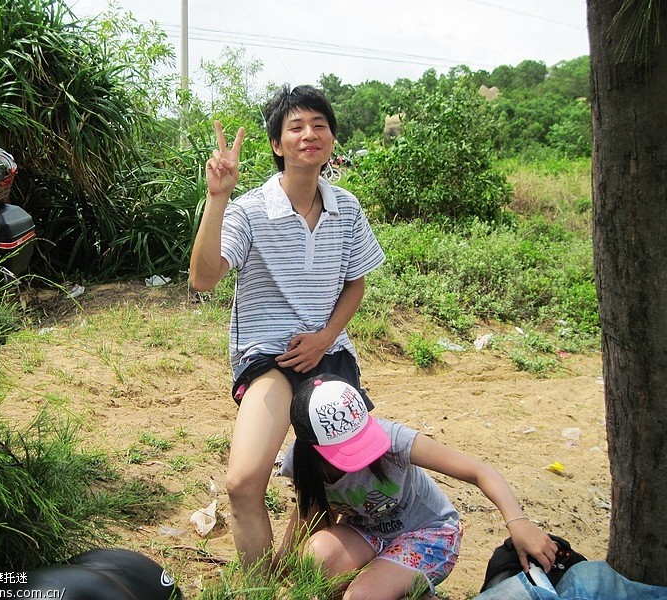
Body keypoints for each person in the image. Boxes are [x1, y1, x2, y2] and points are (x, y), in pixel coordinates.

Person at [188, 84, 385, 569]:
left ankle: (292, 573)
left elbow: (355, 284)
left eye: (319, 125)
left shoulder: (347, 208)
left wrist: (324, 338)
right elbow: (203, 279)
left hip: (330, 357)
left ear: (332, 139)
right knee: (242, 483)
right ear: (278, 145)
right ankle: (260, 583)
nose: (309, 134)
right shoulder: (250, 210)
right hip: (269, 358)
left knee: (325, 484)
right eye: (295, 126)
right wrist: (218, 198)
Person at [275, 373, 559, 600]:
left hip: (428, 533)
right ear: (314, 450)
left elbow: (479, 471)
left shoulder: (394, 441)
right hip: (365, 532)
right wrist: (279, 567)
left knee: (361, 597)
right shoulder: (303, 462)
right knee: (315, 559)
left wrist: (518, 522)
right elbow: (309, 512)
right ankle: (400, 589)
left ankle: (393, 585)